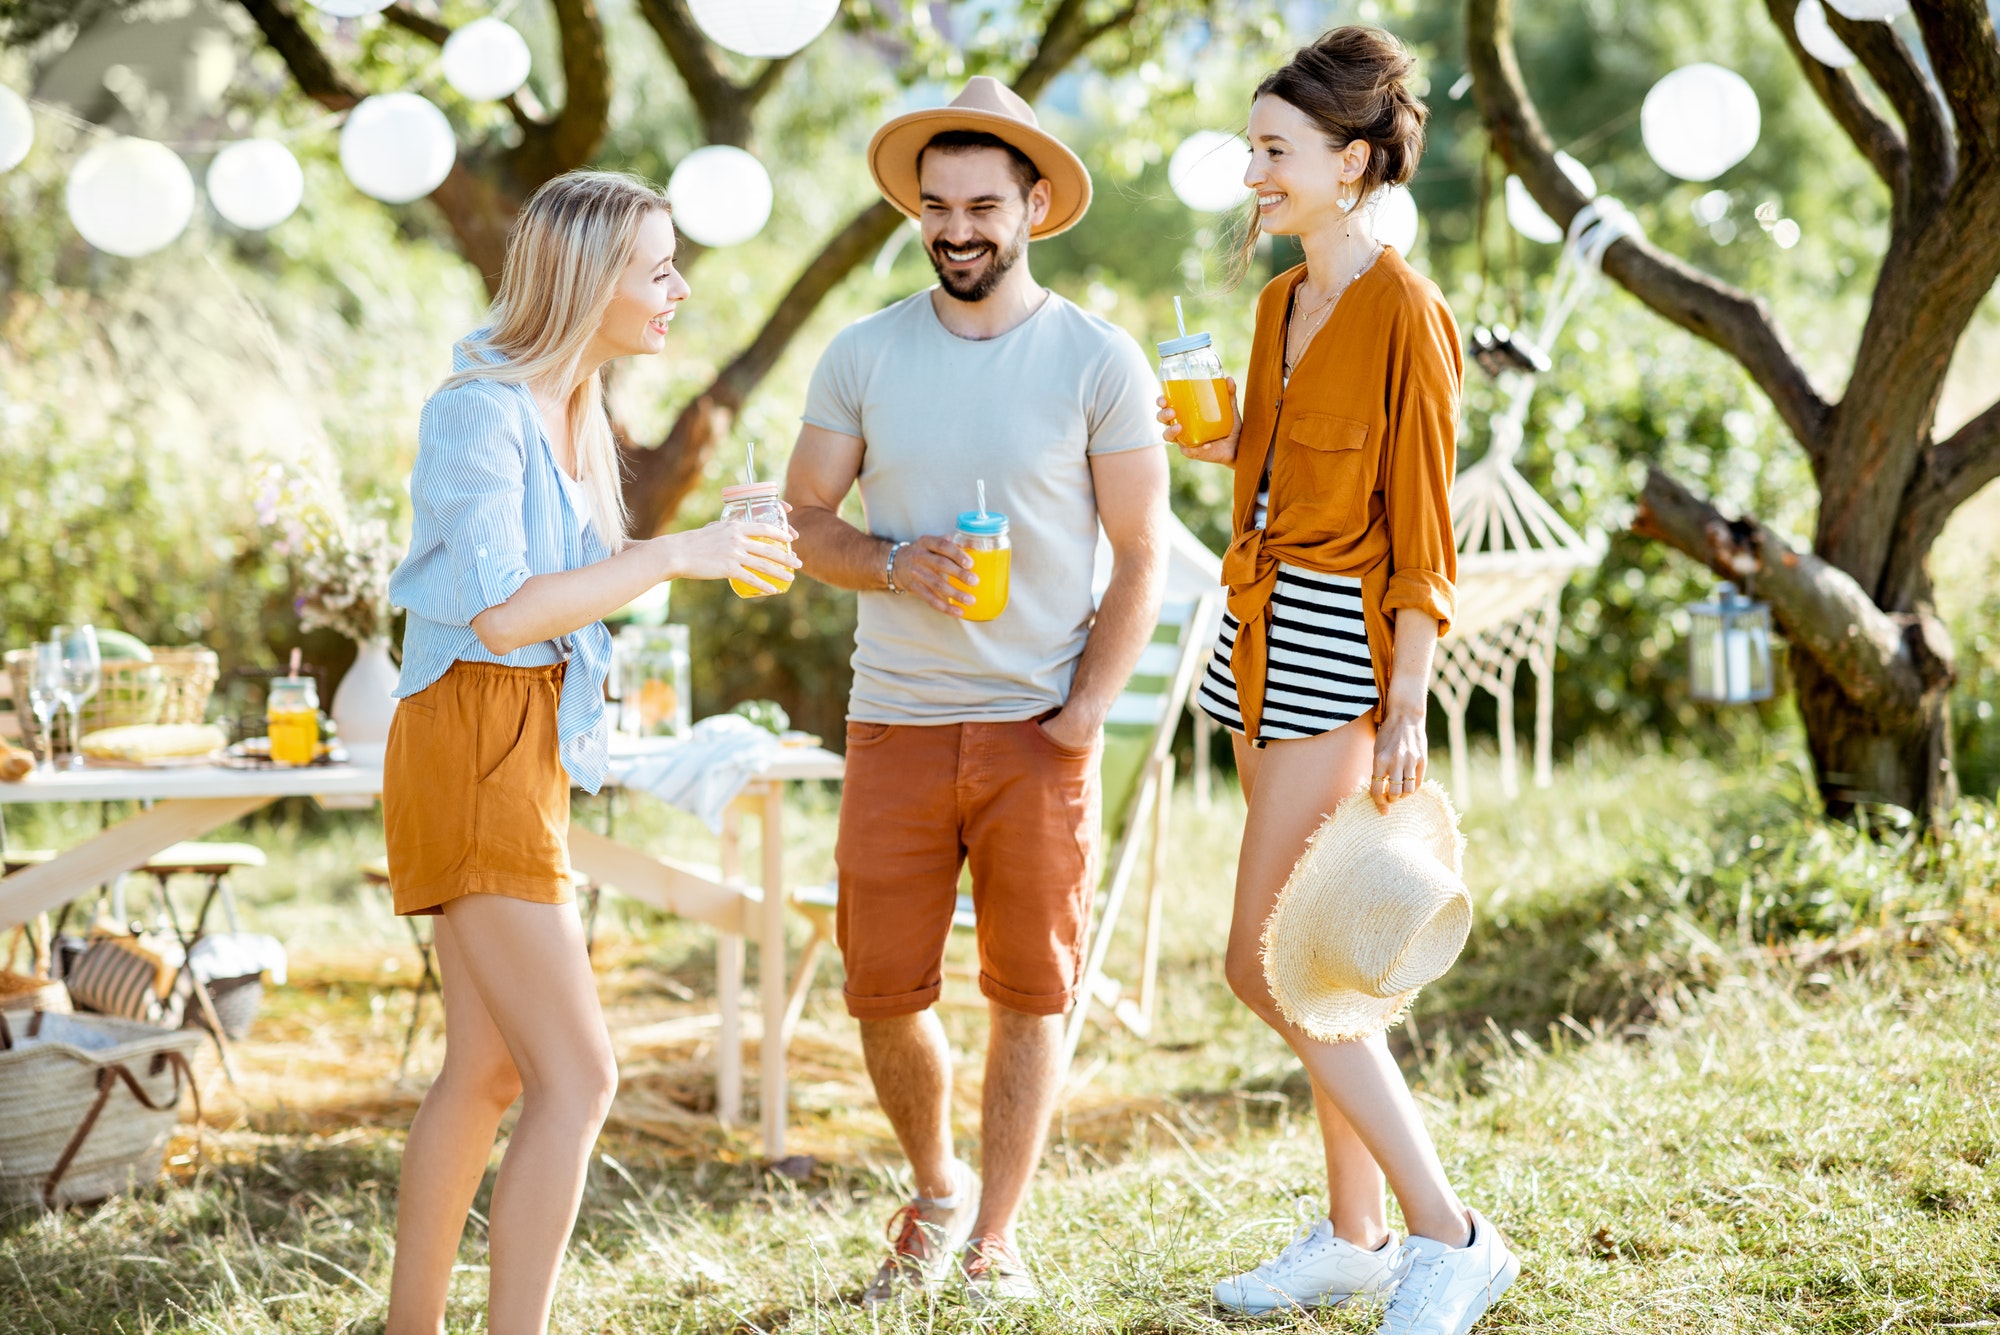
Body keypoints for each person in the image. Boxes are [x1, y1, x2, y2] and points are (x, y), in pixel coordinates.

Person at [381, 170, 797, 1335]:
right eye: (656, 269)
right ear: (586, 282)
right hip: (471, 732)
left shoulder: (581, 407)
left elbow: (574, 602)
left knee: (487, 1069)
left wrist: (705, 546)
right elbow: (508, 612)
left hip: (522, 742)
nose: (678, 289)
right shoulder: (480, 408)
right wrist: (678, 555)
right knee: (580, 1077)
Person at [785, 76, 1169, 1306]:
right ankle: (935, 1186)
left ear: (1033, 206)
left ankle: (995, 1234)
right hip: (893, 719)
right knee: (882, 993)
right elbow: (801, 521)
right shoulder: (863, 352)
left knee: (1028, 993)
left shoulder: (1096, 360)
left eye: (983, 205)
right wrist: (890, 560)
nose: (957, 228)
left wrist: (1083, 715)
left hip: (1034, 732)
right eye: (936, 204)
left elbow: (1145, 552)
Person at [1162, 28, 1519, 1335]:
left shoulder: (1409, 313)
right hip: (1254, 632)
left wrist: (1409, 698)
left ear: (1352, 161)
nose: (1251, 171)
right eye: (1251, 148)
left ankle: (1450, 1230)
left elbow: (1425, 532)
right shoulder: (1273, 303)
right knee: (1315, 955)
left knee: (1267, 960)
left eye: (1274, 151)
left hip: (1342, 649)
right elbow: (1266, 464)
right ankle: (1358, 1235)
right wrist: (1212, 441)